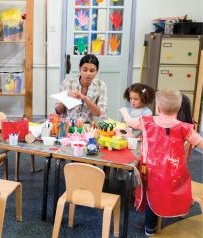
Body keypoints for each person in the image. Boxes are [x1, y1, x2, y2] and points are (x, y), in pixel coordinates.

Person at [120, 89, 203, 236]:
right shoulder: (185, 127)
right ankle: (173, 210)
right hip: (174, 172)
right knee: (172, 189)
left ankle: (149, 228)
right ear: (178, 108)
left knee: (152, 194)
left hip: (150, 170)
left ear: (158, 108)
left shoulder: (146, 122)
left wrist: (124, 111)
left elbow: (128, 122)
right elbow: (200, 142)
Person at [55, 54, 107, 122]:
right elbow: (57, 111)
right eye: (85, 70)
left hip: (87, 127)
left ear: (96, 71)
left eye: (92, 71)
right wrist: (67, 98)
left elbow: (99, 113)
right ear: (80, 69)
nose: (88, 74)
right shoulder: (67, 82)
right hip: (67, 125)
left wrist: (84, 98)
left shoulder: (101, 86)